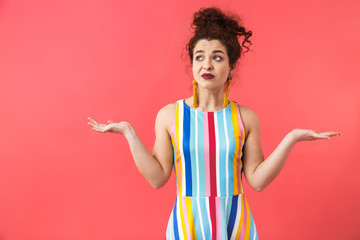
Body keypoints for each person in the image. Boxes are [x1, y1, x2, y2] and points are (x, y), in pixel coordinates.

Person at [87, 7, 340, 240]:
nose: (206, 64)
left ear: (231, 68)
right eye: (199, 57)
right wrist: (128, 132)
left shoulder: (245, 117)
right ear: (194, 64)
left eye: (217, 57)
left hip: (235, 223)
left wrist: (291, 138)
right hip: (187, 224)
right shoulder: (169, 115)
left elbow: (257, 181)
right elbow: (157, 178)